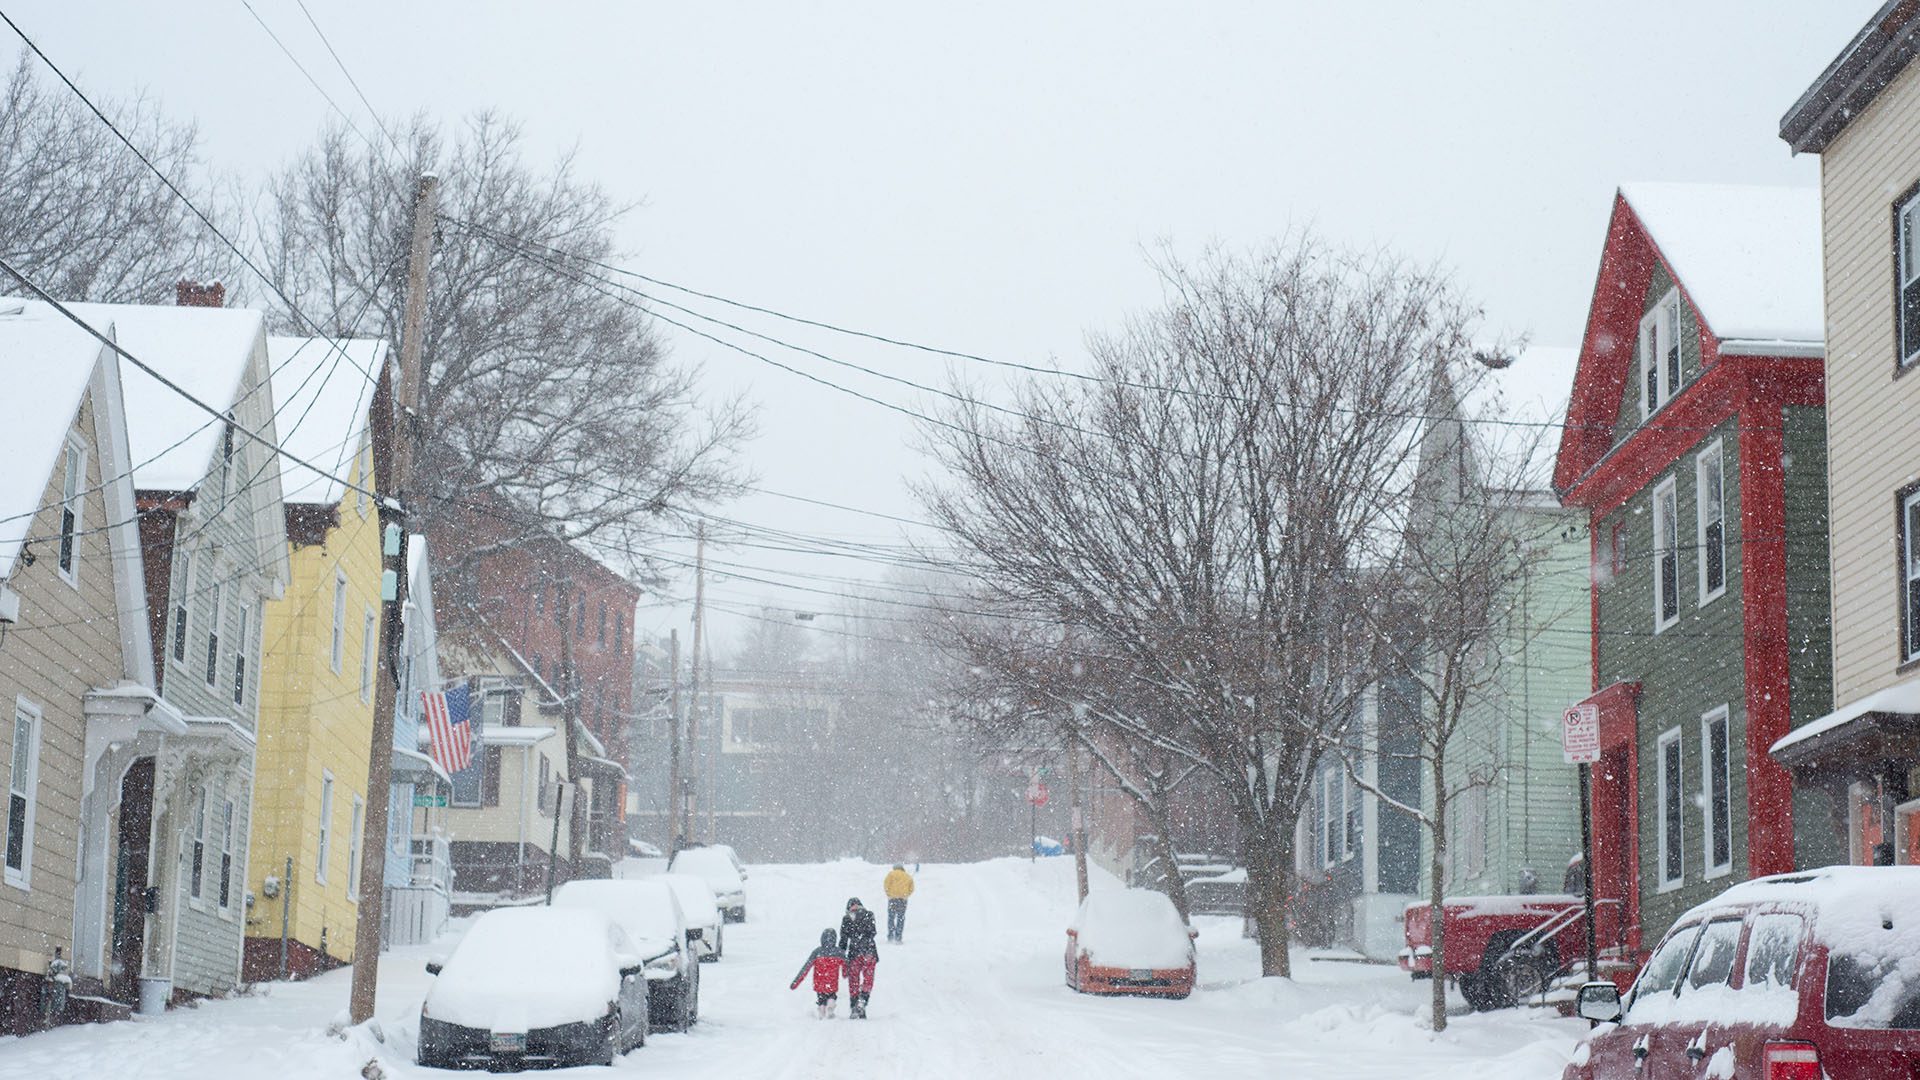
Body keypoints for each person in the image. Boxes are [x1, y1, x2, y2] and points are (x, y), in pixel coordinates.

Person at [789, 928, 845, 1019]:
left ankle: (821, 1010)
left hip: (819, 982)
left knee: (821, 997)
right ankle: (831, 1005)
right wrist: (845, 973)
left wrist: (795, 982)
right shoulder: (839, 952)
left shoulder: (817, 952)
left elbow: (806, 968)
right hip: (832, 981)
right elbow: (847, 965)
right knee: (832, 995)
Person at [839, 897, 880, 1018]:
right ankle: (863, 998)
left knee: (854, 979)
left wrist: (841, 953)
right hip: (869, 951)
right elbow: (873, 932)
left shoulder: (847, 918)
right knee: (868, 977)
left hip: (854, 952)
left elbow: (843, 939)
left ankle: (854, 1004)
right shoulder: (869, 914)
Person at [883, 864, 915, 943]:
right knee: (900, 918)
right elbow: (912, 888)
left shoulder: (891, 874)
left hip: (892, 899)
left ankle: (890, 936)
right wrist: (906, 895)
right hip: (902, 900)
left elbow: (886, 884)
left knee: (891, 917)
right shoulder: (907, 876)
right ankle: (898, 937)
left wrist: (889, 894)